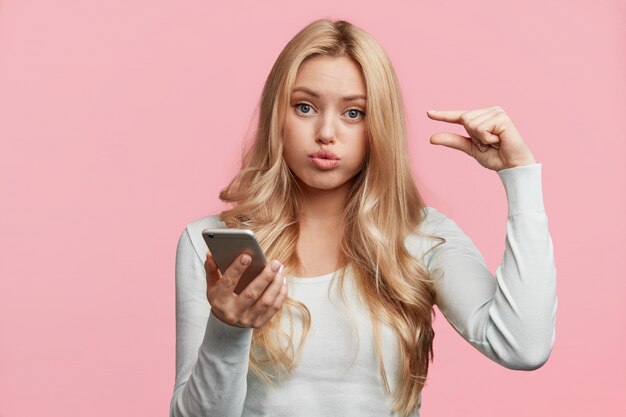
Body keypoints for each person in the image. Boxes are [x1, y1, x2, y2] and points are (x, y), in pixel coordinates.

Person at [169, 18, 557, 417]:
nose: (326, 132)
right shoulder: (211, 241)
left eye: (353, 113)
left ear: (379, 125)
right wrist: (228, 329)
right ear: (276, 116)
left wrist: (520, 176)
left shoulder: (421, 236)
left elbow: (523, 346)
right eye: (305, 107)